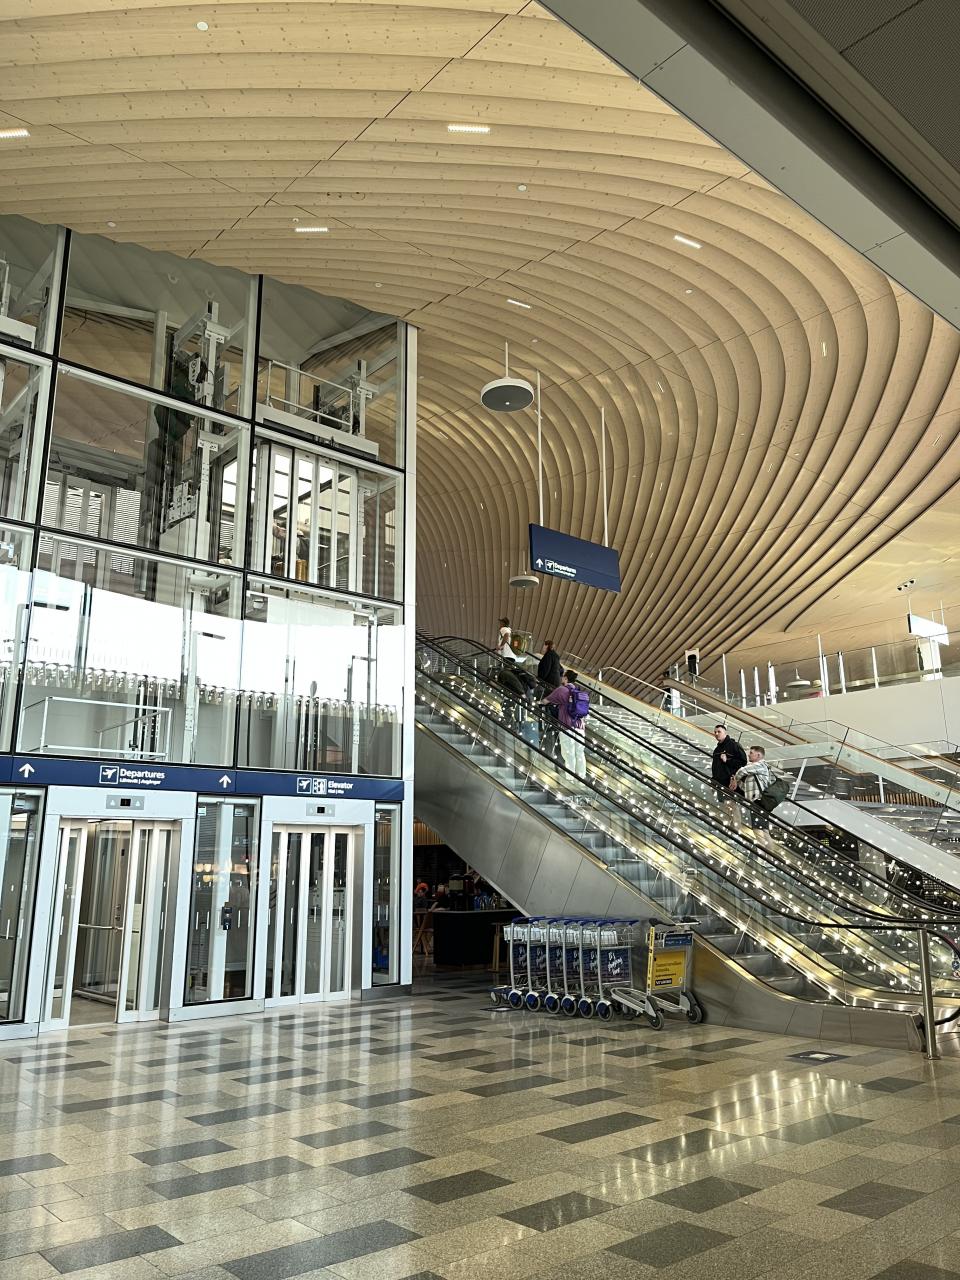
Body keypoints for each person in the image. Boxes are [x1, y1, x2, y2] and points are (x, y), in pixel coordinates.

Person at [540, 669, 589, 782]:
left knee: (568, 753)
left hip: (567, 726)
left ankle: (570, 779)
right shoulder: (578, 691)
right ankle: (581, 778)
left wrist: (539, 702)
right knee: (579, 753)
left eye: (563, 676)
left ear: (566, 678)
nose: (561, 678)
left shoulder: (561, 690)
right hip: (580, 727)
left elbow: (545, 701)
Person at [731, 745, 773, 830]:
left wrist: (735, 780)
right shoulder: (756, 769)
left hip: (759, 801)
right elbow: (747, 787)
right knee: (761, 830)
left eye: (751, 753)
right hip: (757, 801)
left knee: (759, 830)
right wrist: (736, 782)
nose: (748, 755)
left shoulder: (760, 765)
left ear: (758, 755)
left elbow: (742, 770)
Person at [712, 725, 746, 798]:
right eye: (715, 732)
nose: (716, 734)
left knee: (731, 803)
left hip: (731, 784)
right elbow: (715, 767)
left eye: (719, 732)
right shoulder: (717, 749)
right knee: (722, 803)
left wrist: (727, 760)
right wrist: (714, 779)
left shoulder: (734, 745)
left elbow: (743, 762)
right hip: (719, 784)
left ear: (725, 733)